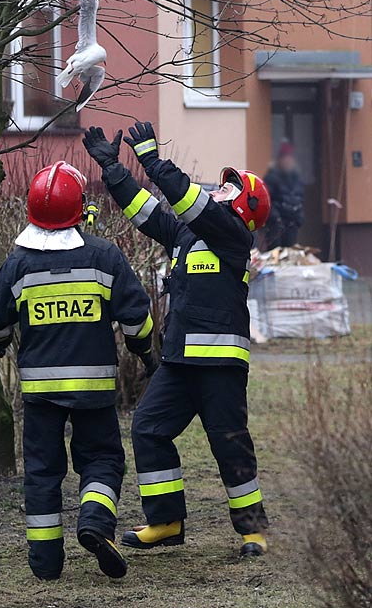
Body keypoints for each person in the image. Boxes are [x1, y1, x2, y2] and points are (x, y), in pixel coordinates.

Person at [82, 123, 271, 558]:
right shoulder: (189, 234)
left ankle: (253, 531)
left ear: (244, 207)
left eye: (229, 189)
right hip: (180, 360)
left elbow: (192, 202)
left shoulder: (233, 234)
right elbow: (145, 210)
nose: (219, 191)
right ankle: (165, 522)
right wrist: (113, 169)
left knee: (229, 443)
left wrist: (151, 160)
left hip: (221, 364)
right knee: (148, 428)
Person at [0, 161, 155, 581]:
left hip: (40, 394)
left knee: (41, 472)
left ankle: (45, 564)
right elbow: (137, 318)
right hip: (94, 390)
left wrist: (2, 342)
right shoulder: (104, 256)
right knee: (102, 460)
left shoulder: (18, 263)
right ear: (80, 210)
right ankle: (94, 521)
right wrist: (144, 351)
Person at [263, 140, 304, 249]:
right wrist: (275, 218)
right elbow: (266, 200)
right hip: (276, 224)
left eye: (290, 158)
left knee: (290, 254)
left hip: (292, 224)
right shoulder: (271, 177)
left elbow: (300, 198)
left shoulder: (296, 178)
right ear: (280, 160)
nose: (288, 161)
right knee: (275, 254)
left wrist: (299, 218)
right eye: (285, 158)